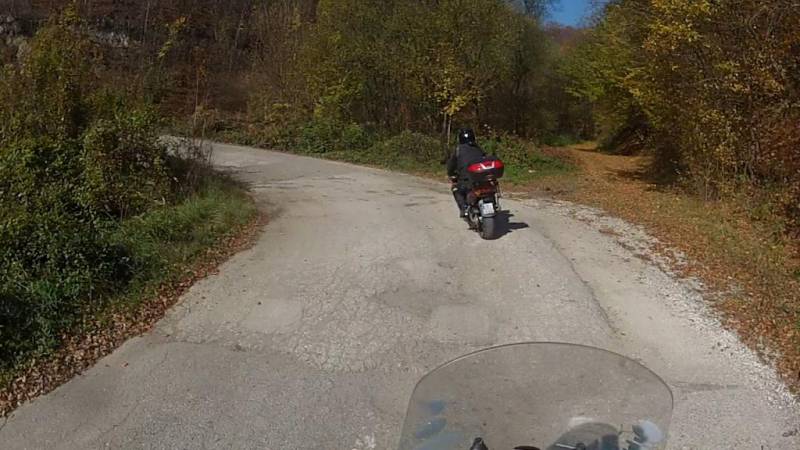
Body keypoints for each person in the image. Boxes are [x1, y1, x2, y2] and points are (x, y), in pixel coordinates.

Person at [446, 128, 486, 218]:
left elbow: (451, 165)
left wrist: (451, 174)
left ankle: (464, 208)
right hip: (481, 178)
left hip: (466, 180)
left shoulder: (458, 150)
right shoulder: (478, 148)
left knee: (456, 189)